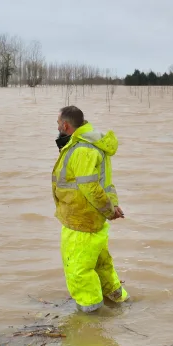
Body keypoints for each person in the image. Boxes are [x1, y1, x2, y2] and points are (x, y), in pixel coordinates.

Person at [52, 105, 129, 312]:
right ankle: (118, 302)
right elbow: (106, 183)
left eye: (58, 123)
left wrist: (109, 210)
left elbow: (90, 187)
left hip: (80, 222)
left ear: (65, 125)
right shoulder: (88, 144)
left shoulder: (82, 149)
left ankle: (91, 318)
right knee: (101, 265)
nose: (57, 126)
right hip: (92, 221)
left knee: (78, 271)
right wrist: (111, 207)